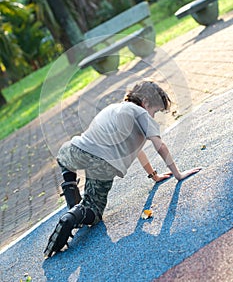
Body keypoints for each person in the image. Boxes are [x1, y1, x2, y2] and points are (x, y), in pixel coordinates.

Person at [44, 80, 201, 257]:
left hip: (78, 149)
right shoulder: (142, 114)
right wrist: (178, 174)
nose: (154, 116)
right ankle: (73, 216)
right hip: (103, 164)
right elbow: (160, 146)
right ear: (146, 103)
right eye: (155, 111)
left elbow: (138, 150)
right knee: (93, 213)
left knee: (63, 158)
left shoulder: (114, 108)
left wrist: (153, 175)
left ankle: (73, 202)